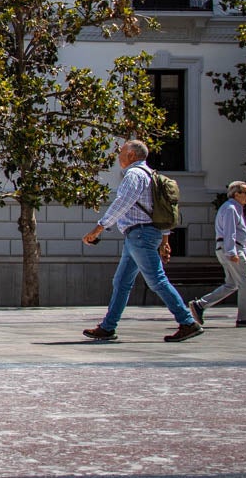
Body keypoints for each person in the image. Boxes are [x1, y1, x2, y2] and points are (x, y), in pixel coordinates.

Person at [82, 139, 202, 342]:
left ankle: (187, 322)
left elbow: (123, 203)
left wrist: (99, 228)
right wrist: (165, 239)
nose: (118, 155)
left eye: (121, 152)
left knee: (157, 280)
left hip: (140, 235)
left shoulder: (134, 174)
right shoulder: (150, 174)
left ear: (131, 155)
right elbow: (160, 209)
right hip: (139, 235)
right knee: (121, 282)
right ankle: (108, 327)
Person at [188, 181, 246, 328]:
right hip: (231, 248)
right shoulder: (231, 208)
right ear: (236, 194)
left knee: (232, 284)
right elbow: (230, 232)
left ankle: (200, 305)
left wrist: (243, 252)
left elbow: (237, 234)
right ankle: (244, 318)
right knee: (245, 282)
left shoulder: (235, 208)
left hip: (231, 248)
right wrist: (232, 252)